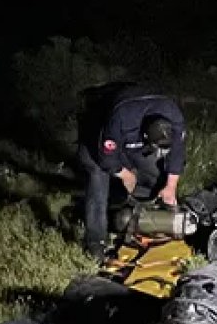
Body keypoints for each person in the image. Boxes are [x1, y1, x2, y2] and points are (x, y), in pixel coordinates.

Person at [76, 84, 186, 256]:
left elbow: (177, 153)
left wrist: (171, 187)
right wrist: (126, 175)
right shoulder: (121, 117)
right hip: (98, 133)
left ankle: (131, 208)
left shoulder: (174, 118)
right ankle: (95, 242)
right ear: (145, 136)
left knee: (155, 173)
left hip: (132, 140)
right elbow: (106, 158)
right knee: (98, 179)